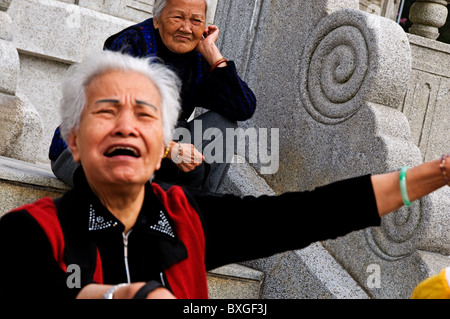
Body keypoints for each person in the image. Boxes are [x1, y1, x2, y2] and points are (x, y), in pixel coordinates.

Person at [1, 51, 449, 299]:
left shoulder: (185, 217)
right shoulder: (29, 232)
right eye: (106, 111)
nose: (126, 125)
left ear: (162, 148)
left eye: (144, 114)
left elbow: (311, 213)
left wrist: (437, 173)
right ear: (74, 140)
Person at [49, 0, 256, 193]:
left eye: (196, 21)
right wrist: (168, 148)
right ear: (157, 20)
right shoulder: (131, 43)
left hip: (156, 153)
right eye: (177, 17)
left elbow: (243, 107)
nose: (186, 28)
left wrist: (214, 56)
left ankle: (200, 204)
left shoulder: (198, 58)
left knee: (223, 123)